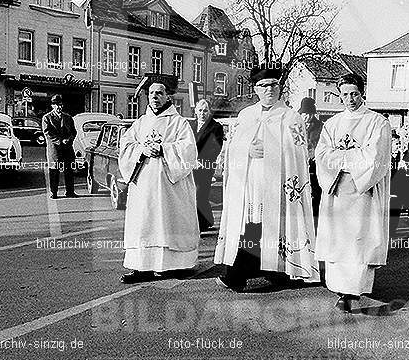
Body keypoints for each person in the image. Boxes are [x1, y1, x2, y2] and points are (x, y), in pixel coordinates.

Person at [214, 66, 320, 291]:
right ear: (255, 89)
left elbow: (299, 154)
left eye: (273, 85)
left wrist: (272, 148)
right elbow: (232, 147)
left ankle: (280, 271)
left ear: (279, 87)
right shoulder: (246, 115)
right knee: (250, 226)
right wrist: (246, 149)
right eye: (264, 86)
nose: (269, 89)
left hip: (278, 185)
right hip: (250, 183)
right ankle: (240, 274)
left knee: (276, 227)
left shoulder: (291, 117)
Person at [315, 73, 391, 313]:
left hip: (362, 191)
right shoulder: (333, 123)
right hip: (337, 190)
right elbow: (322, 155)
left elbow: (376, 157)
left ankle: (352, 292)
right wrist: (348, 160)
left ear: (362, 92)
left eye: (354, 94)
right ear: (340, 95)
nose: (350, 99)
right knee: (339, 240)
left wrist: (342, 160)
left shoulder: (377, 122)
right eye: (345, 94)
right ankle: (340, 288)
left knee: (358, 240)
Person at [118, 81, 199, 283]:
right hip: (143, 185)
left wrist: (164, 149)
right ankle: (141, 267)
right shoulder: (141, 123)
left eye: (160, 93)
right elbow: (126, 145)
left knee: (170, 221)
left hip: (170, 186)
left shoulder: (179, 123)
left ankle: (176, 265)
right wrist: (141, 151)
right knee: (144, 222)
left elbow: (189, 150)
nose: (155, 96)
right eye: (152, 93)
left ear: (167, 97)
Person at [190, 98, 224, 235]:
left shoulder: (216, 127)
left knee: (200, 193)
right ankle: (206, 220)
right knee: (191, 194)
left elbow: (215, 147)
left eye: (205, 111)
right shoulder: (190, 125)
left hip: (206, 165)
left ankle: (202, 224)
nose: (202, 113)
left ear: (209, 112)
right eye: (200, 110)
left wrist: (201, 161)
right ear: (195, 111)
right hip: (189, 164)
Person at [42, 95, 78, 199]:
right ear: (52, 106)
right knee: (54, 171)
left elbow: (73, 132)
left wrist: (69, 139)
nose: (59, 107)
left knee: (69, 171)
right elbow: (47, 133)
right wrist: (60, 141)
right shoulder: (47, 118)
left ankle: (70, 191)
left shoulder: (68, 117)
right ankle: (54, 192)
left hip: (67, 149)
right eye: (56, 105)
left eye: (60, 105)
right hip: (55, 150)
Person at [298, 97, 324, 228]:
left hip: (314, 166)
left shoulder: (320, 127)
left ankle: (315, 222)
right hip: (299, 165)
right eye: (304, 114)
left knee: (315, 195)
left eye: (309, 114)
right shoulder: (296, 127)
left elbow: (322, 146)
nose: (306, 117)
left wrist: (313, 155)